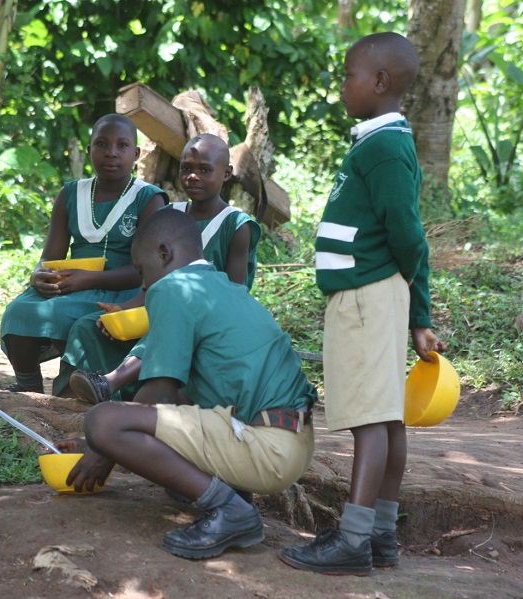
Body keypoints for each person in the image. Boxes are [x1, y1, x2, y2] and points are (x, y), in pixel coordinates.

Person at [277, 32, 446, 576]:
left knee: (370, 420)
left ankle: (353, 539)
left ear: (379, 82)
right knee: (385, 418)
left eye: (348, 76)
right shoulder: (374, 142)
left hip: (367, 300)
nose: (342, 86)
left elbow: (410, 241)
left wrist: (418, 315)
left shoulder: (386, 148)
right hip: (368, 298)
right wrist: (415, 315)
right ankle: (380, 536)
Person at [56, 208, 316, 560]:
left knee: (104, 420)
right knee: (183, 395)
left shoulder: (172, 289)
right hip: (293, 442)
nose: (143, 284)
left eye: (141, 270)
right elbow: (180, 395)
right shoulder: (222, 286)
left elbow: (156, 394)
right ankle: (234, 490)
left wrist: (101, 447)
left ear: (164, 253)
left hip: (267, 450)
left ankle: (231, 511)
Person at [55, 133, 261, 402]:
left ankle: (110, 385)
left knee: (168, 328)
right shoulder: (169, 214)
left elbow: (233, 298)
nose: (193, 177)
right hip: (158, 310)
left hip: (208, 321)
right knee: (89, 327)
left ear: (227, 173)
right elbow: (152, 280)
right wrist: (124, 309)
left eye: (205, 170)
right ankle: (66, 401)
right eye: (186, 169)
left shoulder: (237, 226)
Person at [0, 114, 168, 393]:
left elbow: (143, 271)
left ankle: (76, 386)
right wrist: (38, 274)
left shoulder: (148, 199)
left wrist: (89, 279)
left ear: (136, 154)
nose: (111, 152)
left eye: (122, 145)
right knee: (18, 311)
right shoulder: (70, 194)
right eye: (101, 144)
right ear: (89, 149)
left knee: (78, 321)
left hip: (122, 288)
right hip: (72, 282)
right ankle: (29, 386)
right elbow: (49, 255)